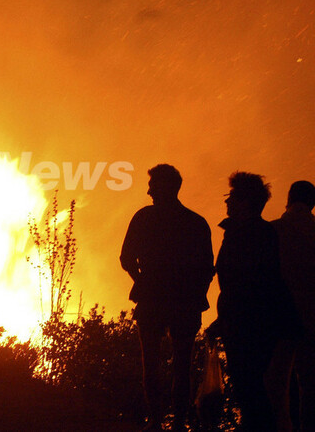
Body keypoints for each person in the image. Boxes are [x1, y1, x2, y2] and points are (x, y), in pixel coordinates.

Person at [120, 164, 214, 432]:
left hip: (153, 300)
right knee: (183, 364)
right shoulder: (196, 223)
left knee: (151, 363)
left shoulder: (144, 218)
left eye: (152, 185)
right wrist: (197, 293)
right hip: (185, 302)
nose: (148, 191)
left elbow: (126, 258)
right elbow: (207, 268)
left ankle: (156, 421)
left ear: (165, 187)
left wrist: (141, 280)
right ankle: (179, 422)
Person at [206, 172, 301, 431]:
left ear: (245, 202)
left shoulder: (249, 234)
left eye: (231, 196)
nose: (226, 201)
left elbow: (246, 285)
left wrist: (226, 319)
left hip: (252, 326)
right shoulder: (256, 232)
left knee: (253, 390)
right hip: (252, 323)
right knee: (256, 390)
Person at [268, 181, 315, 432]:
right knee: (312, 388)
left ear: (289, 198)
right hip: (314, 318)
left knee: (276, 385)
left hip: (277, 318)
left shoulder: (272, 231)